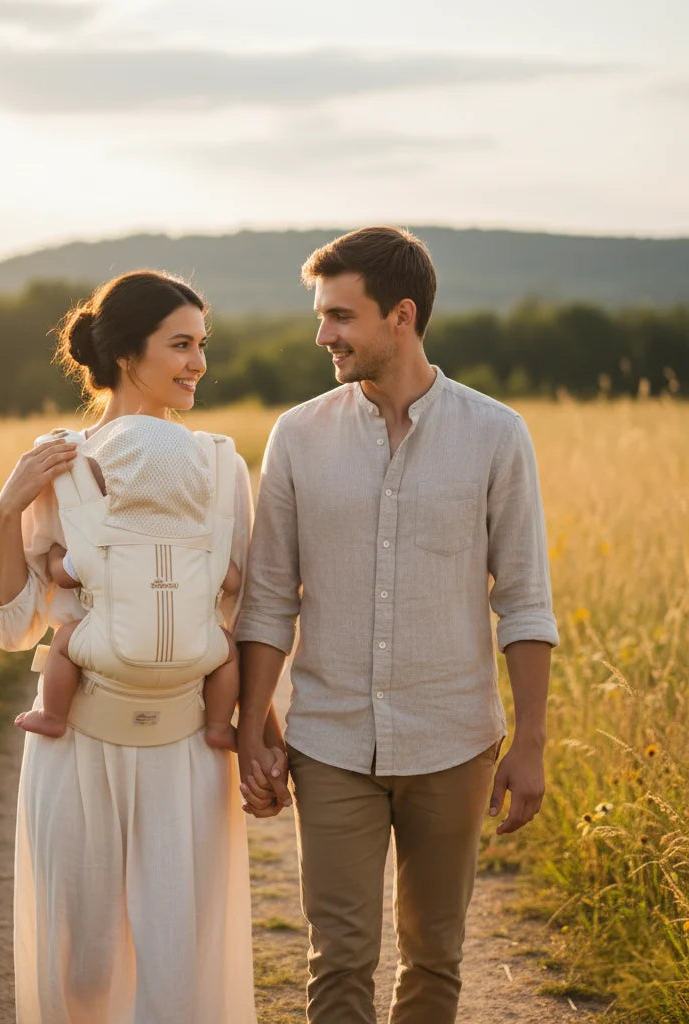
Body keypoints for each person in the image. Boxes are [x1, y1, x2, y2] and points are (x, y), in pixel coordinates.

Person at [235, 226, 559, 1023]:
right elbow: (270, 596)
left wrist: (531, 740)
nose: (323, 335)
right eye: (322, 315)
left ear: (401, 316)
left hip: (454, 741)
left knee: (435, 959)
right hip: (332, 740)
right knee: (338, 960)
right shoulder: (297, 435)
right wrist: (253, 723)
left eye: (341, 317)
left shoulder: (495, 434)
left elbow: (523, 598)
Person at [0, 270, 259, 1023]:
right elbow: (10, 625)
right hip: (77, 749)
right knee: (82, 961)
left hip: (187, 754)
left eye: (203, 345)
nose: (198, 362)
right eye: (181, 344)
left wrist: (257, 728)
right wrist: (8, 512)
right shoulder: (56, 462)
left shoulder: (224, 468)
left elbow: (242, 612)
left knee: (176, 961)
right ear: (129, 354)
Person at [13, 415, 243, 752]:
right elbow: (233, 582)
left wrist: (55, 554)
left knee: (63, 642)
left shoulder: (101, 537)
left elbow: (61, 576)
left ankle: (53, 716)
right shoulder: (204, 540)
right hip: (195, 655)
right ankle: (220, 727)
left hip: (110, 653)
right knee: (228, 652)